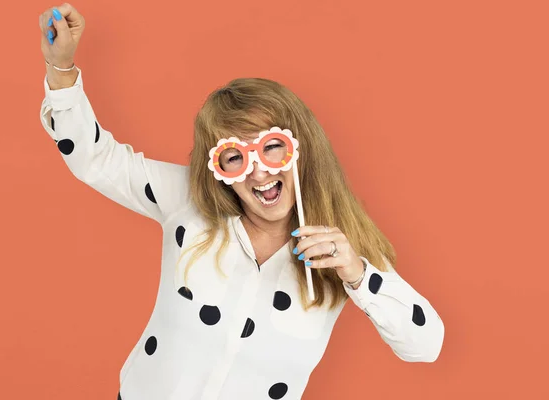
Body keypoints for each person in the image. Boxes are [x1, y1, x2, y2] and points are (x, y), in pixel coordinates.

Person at [38, 4, 445, 399]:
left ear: (299, 148)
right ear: (218, 168)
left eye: (271, 148)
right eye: (235, 157)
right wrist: (61, 67)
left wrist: (357, 273)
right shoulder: (189, 202)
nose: (259, 172)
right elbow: (95, 159)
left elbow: (426, 346)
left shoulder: (342, 251)